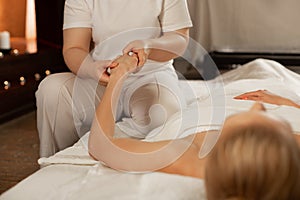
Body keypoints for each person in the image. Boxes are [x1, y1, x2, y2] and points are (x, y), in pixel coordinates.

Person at [88, 54, 300, 199]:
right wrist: (292, 104)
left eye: (255, 117)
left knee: (261, 67)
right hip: (278, 93)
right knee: (266, 67)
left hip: (228, 94)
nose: (258, 106)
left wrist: (119, 75)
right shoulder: (287, 154)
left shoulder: (191, 157)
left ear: (225, 140)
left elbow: (101, 145)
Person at [36, 0, 193, 157]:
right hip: (100, 80)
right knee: (51, 89)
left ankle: (114, 152)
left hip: (152, 77)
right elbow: (74, 48)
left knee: (160, 115)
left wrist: (148, 47)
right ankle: (61, 163)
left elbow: (179, 39)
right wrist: (92, 69)